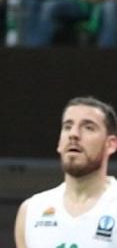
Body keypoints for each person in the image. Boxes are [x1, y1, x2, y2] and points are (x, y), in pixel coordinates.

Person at [14, 96, 117, 248]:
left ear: (110, 144)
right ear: (59, 143)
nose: (74, 134)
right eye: (68, 126)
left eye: (88, 127)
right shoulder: (31, 211)